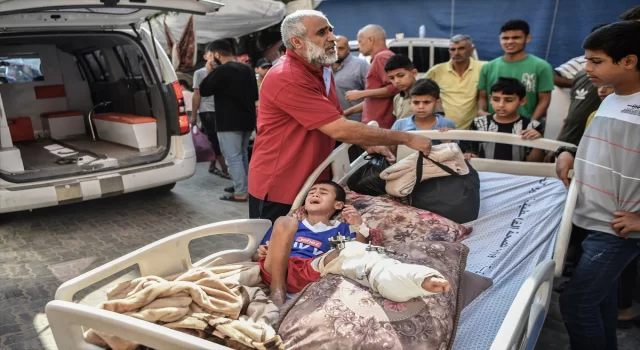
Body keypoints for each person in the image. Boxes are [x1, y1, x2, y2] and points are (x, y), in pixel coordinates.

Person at [248, 10, 433, 224]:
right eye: (321, 32)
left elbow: (336, 116)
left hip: (313, 180)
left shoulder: (322, 69)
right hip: (281, 184)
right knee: (270, 249)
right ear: (297, 42)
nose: (332, 38)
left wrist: (366, 142)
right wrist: (407, 138)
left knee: (306, 248)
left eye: (330, 30)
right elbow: (339, 128)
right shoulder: (287, 76)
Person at [556, 21, 640, 350]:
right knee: (601, 302)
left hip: (617, 230)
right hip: (594, 221)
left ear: (629, 62)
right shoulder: (611, 98)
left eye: (596, 61)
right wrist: (569, 153)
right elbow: (609, 149)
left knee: (577, 305)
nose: (586, 68)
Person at [254, 181, 450, 306]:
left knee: (349, 249)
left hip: (309, 269)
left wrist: (357, 226)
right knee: (284, 221)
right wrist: (262, 252)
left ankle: (403, 279)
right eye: (311, 192)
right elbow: (257, 256)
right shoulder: (293, 224)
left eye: (323, 192)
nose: (315, 194)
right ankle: (277, 290)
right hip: (277, 269)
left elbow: (359, 251)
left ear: (338, 205)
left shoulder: (341, 228)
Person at [200, 39, 259, 202]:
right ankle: (244, 185)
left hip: (228, 121)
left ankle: (240, 192)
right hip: (247, 119)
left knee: (232, 157)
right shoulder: (247, 69)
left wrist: (209, 71)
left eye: (211, 55)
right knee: (242, 156)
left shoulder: (222, 71)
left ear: (217, 54)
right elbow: (255, 95)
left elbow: (204, 90)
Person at [477, 20, 554, 122]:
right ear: (499, 39)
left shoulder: (541, 67)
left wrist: (531, 124)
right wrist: (481, 111)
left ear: (528, 38)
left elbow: (544, 100)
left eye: (516, 38)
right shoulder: (488, 67)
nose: (509, 42)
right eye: (505, 38)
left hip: (526, 131)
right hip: (493, 126)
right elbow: (482, 97)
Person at [464, 77, 543, 162]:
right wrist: (469, 154)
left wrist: (537, 141)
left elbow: (535, 163)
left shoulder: (531, 127)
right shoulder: (478, 123)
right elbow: (471, 153)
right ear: (490, 99)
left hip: (518, 174)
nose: (501, 105)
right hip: (485, 173)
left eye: (509, 100)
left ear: (522, 101)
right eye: (496, 99)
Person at [425, 34, 486, 130]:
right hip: (443, 130)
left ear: (471, 49)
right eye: (452, 49)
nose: (456, 52)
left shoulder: (483, 68)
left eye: (461, 48)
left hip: (472, 130)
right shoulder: (436, 71)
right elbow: (419, 91)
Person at [344, 24, 399, 129]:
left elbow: (394, 88)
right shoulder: (380, 57)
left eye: (360, 42)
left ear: (371, 40)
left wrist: (361, 94)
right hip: (375, 124)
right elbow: (374, 99)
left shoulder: (381, 58)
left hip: (380, 125)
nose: (358, 46)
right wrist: (347, 112)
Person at [192, 44, 229, 179]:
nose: (212, 57)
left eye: (214, 54)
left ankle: (213, 166)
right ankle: (225, 169)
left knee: (218, 140)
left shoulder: (222, 71)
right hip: (207, 111)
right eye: (210, 55)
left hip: (221, 109)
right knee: (215, 139)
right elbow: (196, 94)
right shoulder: (199, 73)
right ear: (205, 57)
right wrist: (194, 115)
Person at [391, 79, 456, 146]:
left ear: (437, 102)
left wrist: (448, 141)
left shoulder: (447, 124)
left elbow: (455, 151)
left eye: (426, 102)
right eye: (416, 102)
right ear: (410, 103)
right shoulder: (400, 125)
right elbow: (391, 151)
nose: (421, 107)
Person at [333, 35, 369, 122]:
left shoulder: (361, 65)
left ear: (348, 49)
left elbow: (372, 95)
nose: (336, 52)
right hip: (332, 121)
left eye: (341, 48)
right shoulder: (323, 67)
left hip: (356, 120)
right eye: (334, 48)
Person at [384, 54, 418, 120]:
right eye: (391, 78)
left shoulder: (428, 95)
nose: (396, 81)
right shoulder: (397, 98)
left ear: (414, 73)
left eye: (401, 75)